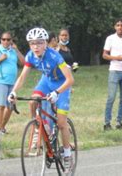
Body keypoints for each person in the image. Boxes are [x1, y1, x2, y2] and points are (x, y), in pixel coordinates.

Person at [7, 27, 75, 169]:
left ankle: (67, 153)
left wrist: (57, 92)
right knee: (33, 101)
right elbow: (22, 77)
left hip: (62, 84)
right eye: (32, 44)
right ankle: (39, 126)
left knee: (62, 123)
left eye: (39, 43)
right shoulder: (30, 56)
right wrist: (13, 92)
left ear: (45, 43)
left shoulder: (55, 56)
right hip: (46, 81)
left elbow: (70, 79)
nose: (35, 47)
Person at [0, 31, 24, 134]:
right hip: (0, 81)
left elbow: (23, 62)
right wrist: (0, 59)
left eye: (8, 39)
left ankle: (1, 127)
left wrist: (16, 50)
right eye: (4, 39)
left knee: (11, 106)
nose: (6, 41)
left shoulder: (13, 51)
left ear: (11, 41)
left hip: (12, 83)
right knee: (1, 106)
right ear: (1, 40)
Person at [102, 18, 122, 130]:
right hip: (114, 70)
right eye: (117, 25)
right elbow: (105, 55)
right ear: (115, 27)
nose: (120, 27)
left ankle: (119, 122)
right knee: (111, 97)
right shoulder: (110, 39)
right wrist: (116, 58)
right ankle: (107, 123)